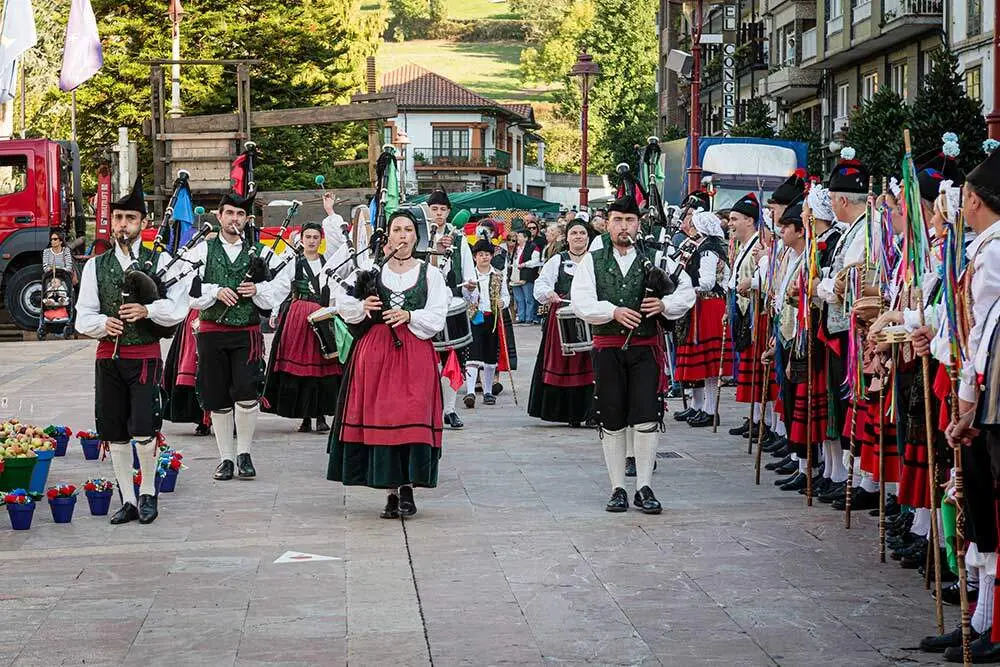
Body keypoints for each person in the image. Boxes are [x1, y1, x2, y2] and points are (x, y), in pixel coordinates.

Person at [571, 193, 693, 514]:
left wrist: (665, 304)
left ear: (638, 224)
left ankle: (644, 486)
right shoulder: (593, 260)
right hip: (607, 349)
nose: (624, 226)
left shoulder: (656, 256)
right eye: (617, 220)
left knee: (646, 417)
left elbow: (687, 291)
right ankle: (617, 489)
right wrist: (613, 312)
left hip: (645, 350)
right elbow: (580, 302)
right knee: (611, 419)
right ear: (607, 224)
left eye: (630, 220)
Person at [75, 177, 187, 524]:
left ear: (143, 222)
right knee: (115, 432)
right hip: (108, 358)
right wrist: (102, 325)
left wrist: (147, 310)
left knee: (143, 429)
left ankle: (149, 493)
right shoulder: (96, 265)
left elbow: (178, 307)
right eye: (119, 218)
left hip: (144, 358)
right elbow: (83, 317)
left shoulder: (161, 261)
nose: (123, 225)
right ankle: (127, 498)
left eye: (130, 218)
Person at [326, 211, 449, 519]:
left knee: (412, 413)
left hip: (414, 351)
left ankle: (408, 485)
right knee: (384, 418)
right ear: (388, 236)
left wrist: (410, 315)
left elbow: (437, 315)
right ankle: (391, 492)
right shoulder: (370, 270)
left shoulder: (429, 274)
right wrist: (361, 305)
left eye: (408, 230)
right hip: (376, 352)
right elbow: (341, 302)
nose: (403, 235)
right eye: (397, 229)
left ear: (416, 236)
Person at [187, 190, 280, 481]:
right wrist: (214, 291)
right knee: (217, 396)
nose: (235, 219)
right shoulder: (202, 250)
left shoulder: (260, 251)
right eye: (230, 213)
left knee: (246, 391)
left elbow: (280, 287)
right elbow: (186, 293)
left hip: (247, 333)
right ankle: (225, 458)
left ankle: (244, 453)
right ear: (219, 216)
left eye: (240, 214)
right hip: (212, 332)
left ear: (247, 218)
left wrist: (258, 291)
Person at [263, 222, 341, 433]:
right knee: (302, 368)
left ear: (320, 239)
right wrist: (273, 312)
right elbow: (279, 288)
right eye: (308, 237)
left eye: (316, 237)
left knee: (323, 366)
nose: (312, 241)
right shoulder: (293, 263)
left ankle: (321, 415)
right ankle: (305, 416)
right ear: (302, 239)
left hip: (322, 317)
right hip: (298, 318)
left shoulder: (328, 262)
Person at [527, 217, 595, 426]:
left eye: (582, 233)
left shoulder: (595, 260)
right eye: (574, 233)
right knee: (565, 363)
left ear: (588, 237)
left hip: (590, 317)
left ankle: (591, 412)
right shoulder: (558, 260)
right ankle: (569, 413)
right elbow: (540, 285)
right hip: (562, 321)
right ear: (567, 237)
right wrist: (550, 293)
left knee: (592, 364)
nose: (578, 237)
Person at [672, 209, 732, 428]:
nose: (690, 228)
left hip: (708, 305)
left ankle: (709, 410)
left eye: (693, 225)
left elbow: (707, 281)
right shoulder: (698, 247)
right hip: (698, 306)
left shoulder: (708, 251)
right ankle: (698, 406)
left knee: (707, 361)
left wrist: (686, 288)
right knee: (697, 360)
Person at [427, 190, 475, 429]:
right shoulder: (420, 236)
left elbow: (468, 269)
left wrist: (471, 285)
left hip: (452, 303)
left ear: (448, 212)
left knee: (452, 361)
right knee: (428, 362)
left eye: (442, 210)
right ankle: (428, 409)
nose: (438, 214)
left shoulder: (459, 239)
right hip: (425, 306)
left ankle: (450, 409)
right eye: (434, 209)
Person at [463, 239, 510, 407]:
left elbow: (506, 295)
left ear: (491, 256)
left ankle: (488, 391)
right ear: (475, 257)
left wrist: (503, 303)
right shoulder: (469, 276)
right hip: (475, 317)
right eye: (480, 255)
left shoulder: (498, 274)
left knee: (491, 356)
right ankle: (470, 392)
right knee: (473, 354)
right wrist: (468, 292)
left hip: (492, 317)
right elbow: (464, 297)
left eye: (487, 254)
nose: (484, 257)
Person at [511, 221, 543, 324]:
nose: (518, 238)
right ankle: (521, 317)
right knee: (519, 298)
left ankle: (529, 317)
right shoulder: (516, 248)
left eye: (520, 236)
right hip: (515, 275)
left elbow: (535, 261)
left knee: (528, 298)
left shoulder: (533, 247)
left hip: (527, 275)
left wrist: (524, 264)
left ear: (525, 238)